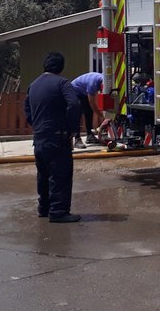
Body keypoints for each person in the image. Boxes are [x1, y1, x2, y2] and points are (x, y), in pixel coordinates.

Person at [25, 52, 82, 223]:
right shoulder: (63, 83)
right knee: (60, 175)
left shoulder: (33, 85)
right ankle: (58, 212)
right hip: (58, 138)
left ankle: (44, 208)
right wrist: (71, 129)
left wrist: (37, 126)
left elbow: (27, 109)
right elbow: (74, 104)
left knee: (43, 174)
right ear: (61, 67)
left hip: (40, 138)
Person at [69, 70, 104, 148]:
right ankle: (77, 139)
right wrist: (100, 115)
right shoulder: (93, 84)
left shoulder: (103, 78)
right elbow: (92, 103)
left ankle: (89, 136)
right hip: (74, 91)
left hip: (83, 92)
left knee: (89, 111)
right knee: (77, 113)